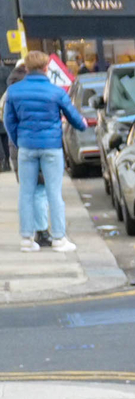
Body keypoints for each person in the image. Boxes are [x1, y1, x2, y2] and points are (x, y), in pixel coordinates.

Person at [2, 52, 90, 253]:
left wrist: (19, 140)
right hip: (51, 147)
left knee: (26, 192)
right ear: (45, 69)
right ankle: (59, 239)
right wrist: (83, 125)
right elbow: (74, 118)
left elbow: (9, 122)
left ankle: (27, 239)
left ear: (26, 68)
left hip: (26, 147)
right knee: (54, 192)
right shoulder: (55, 92)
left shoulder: (14, 92)